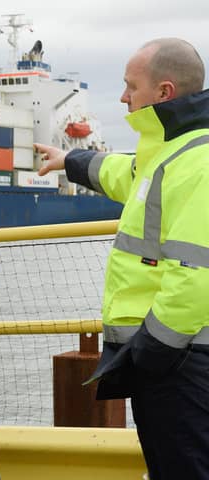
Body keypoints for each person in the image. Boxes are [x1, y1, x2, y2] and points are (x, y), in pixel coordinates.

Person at [35, 38, 209, 479]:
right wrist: (69, 160)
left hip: (183, 360)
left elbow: (197, 274)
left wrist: (153, 351)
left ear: (164, 93)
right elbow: (125, 173)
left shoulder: (199, 161)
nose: (122, 97)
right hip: (178, 357)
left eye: (131, 86)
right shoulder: (172, 149)